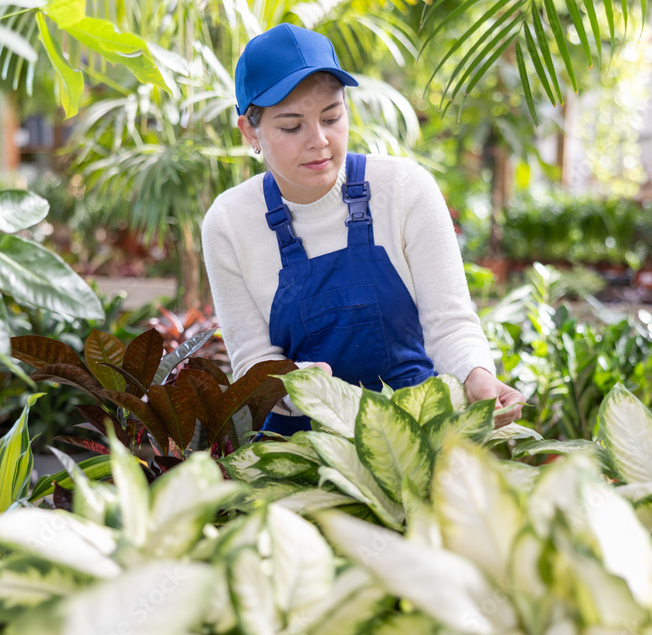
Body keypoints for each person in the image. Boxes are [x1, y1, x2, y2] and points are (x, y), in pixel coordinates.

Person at [201, 23, 526, 436]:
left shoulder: (405, 188)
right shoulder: (228, 223)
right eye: (291, 126)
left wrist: (476, 375)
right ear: (250, 131)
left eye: (332, 117)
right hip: (301, 447)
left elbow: (449, 323)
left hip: (417, 432)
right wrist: (296, 380)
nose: (319, 140)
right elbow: (251, 362)